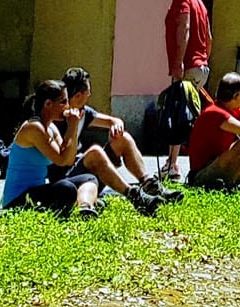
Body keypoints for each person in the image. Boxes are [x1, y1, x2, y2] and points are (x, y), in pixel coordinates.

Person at [6, 80, 156, 216]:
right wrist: (73, 126)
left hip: (37, 190)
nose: (67, 106)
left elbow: (69, 159)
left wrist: (73, 126)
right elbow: (62, 160)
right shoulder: (33, 128)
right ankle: (107, 199)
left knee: (88, 179)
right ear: (48, 104)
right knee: (66, 189)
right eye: (63, 102)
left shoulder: (50, 127)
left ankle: (85, 208)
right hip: (18, 199)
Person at [60, 67, 177, 204]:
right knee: (95, 152)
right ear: (78, 96)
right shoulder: (58, 117)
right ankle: (135, 196)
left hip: (85, 171)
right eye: (88, 92)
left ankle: (149, 185)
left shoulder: (83, 113)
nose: (89, 95)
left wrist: (117, 125)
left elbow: (112, 121)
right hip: (67, 178)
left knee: (123, 138)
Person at [160, 0, 212, 179]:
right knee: (192, 116)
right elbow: (209, 38)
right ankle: (186, 162)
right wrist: (204, 59)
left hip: (188, 65)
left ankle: (172, 165)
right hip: (201, 67)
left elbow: (184, 27)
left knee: (178, 114)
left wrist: (179, 62)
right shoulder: (199, 2)